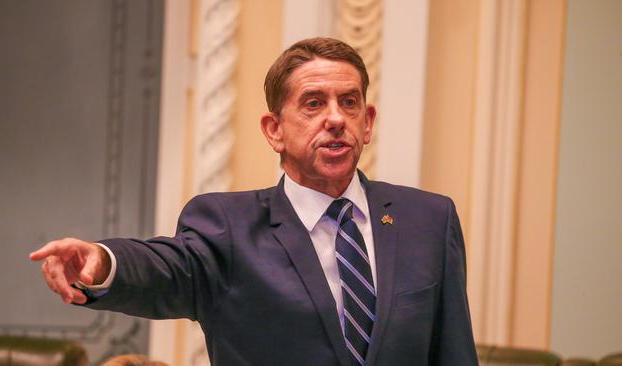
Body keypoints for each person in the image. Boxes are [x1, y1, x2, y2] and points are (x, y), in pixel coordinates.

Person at [30, 37, 478, 365]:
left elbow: (453, 351)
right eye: (313, 104)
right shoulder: (228, 225)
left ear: (368, 122)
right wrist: (104, 262)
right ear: (274, 130)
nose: (336, 119)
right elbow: (166, 268)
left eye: (349, 102)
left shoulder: (428, 219)